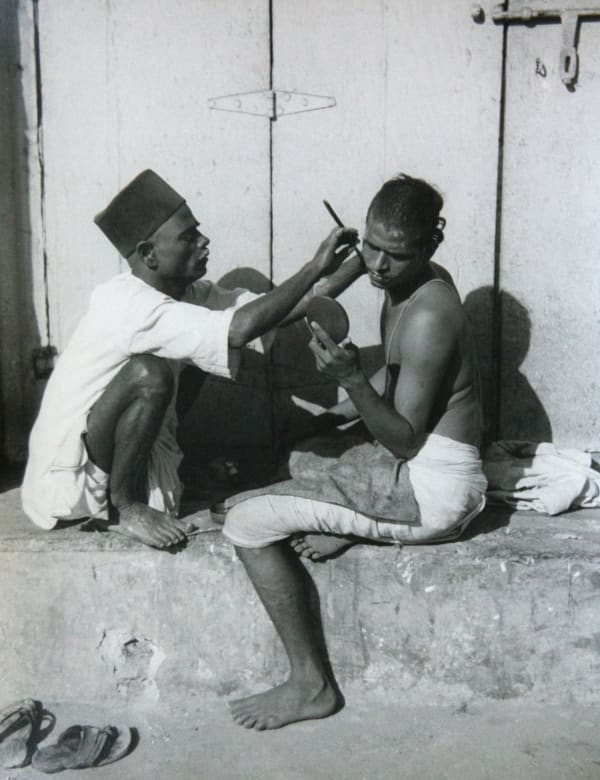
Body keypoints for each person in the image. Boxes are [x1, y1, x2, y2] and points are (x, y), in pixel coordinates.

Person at [221, 174, 488, 729]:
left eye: (396, 255)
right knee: (301, 452)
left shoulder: (430, 315)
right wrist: (339, 268)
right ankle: (352, 522)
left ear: (432, 246)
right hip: (417, 466)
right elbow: (397, 384)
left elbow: (405, 438)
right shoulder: (418, 282)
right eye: (370, 246)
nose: (379, 266)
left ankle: (310, 684)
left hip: (431, 492)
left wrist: (351, 382)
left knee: (244, 522)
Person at [21, 169, 363, 549]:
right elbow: (238, 330)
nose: (204, 242)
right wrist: (313, 266)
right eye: (189, 237)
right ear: (149, 254)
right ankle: (122, 508)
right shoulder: (126, 303)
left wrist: (361, 264)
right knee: (149, 373)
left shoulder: (188, 293)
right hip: (71, 478)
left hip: (114, 457)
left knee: (203, 356)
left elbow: (276, 311)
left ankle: (129, 496)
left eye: (198, 231)